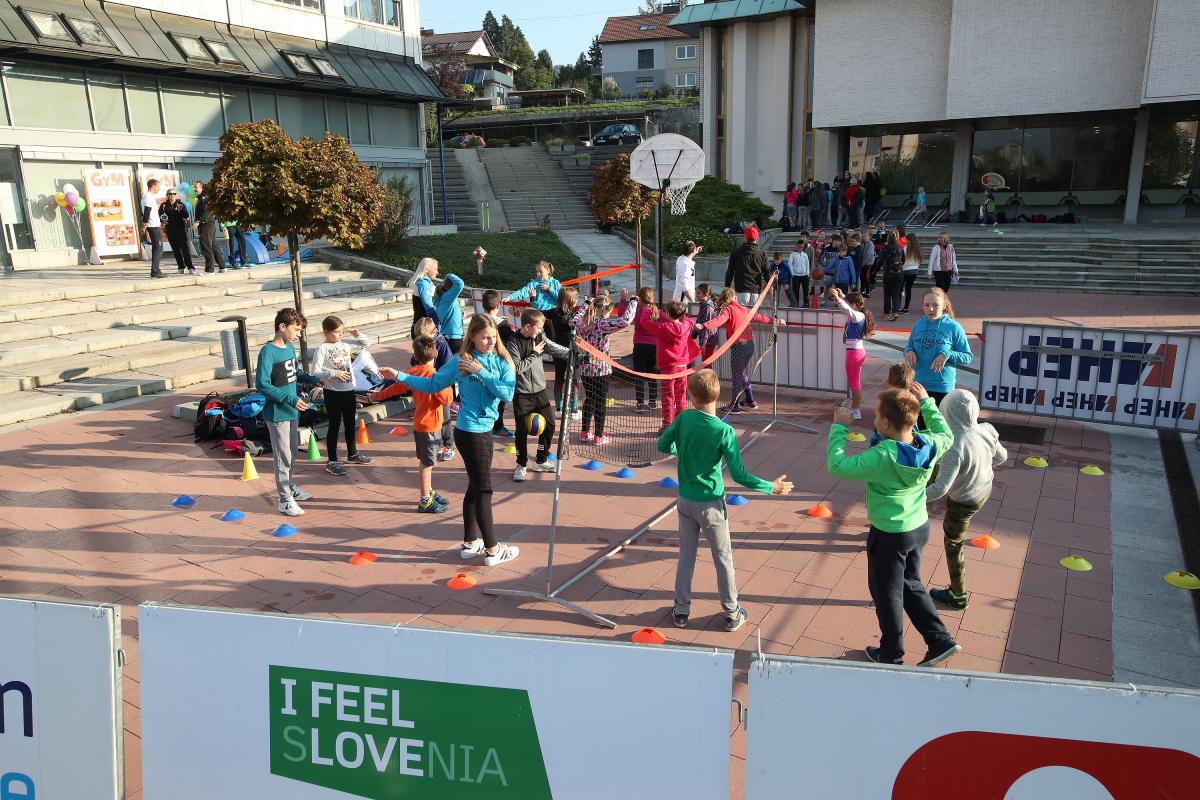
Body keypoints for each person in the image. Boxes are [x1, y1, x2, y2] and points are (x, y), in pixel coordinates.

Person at [828, 382, 961, 667]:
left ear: (886, 422)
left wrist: (839, 428)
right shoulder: (928, 443)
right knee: (910, 584)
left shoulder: (882, 455)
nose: (875, 419)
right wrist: (926, 402)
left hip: (889, 534)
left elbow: (837, 466)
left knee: (886, 593)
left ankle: (891, 653)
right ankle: (940, 640)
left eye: (877, 415)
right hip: (918, 527)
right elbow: (946, 434)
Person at [658, 369, 793, 631]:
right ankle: (731, 612)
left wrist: (681, 450)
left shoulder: (684, 418)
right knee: (723, 558)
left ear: (691, 395)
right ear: (718, 395)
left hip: (685, 500)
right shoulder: (724, 431)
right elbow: (739, 475)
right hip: (711, 504)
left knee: (686, 556)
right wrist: (770, 486)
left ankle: (681, 609)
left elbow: (663, 445)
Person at [390, 314, 520, 566]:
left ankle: (470, 544)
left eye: (493, 337)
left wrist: (481, 372)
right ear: (473, 337)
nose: (490, 342)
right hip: (468, 432)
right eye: (485, 337)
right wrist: (399, 375)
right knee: (483, 490)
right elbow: (432, 385)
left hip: (485, 431)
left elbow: (507, 394)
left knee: (475, 487)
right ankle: (493, 550)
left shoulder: (502, 360)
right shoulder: (461, 360)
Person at [926, 389, 1008, 611]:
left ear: (946, 413)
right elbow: (1002, 457)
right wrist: (979, 464)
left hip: (963, 500)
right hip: (984, 488)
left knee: (953, 541)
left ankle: (958, 595)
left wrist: (912, 497)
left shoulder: (954, 447)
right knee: (938, 468)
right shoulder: (986, 430)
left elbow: (941, 488)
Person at [369, 336, 454, 513]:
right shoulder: (435, 376)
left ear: (415, 355)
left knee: (427, 461)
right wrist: (446, 383)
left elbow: (396, 387)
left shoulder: (413, 372)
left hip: (423, 425)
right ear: (436, 353)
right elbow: (447, 399)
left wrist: (378, 396)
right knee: (427, 464)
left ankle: (429, 491)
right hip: (429, 427)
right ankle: (425, 500)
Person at [256, 308, 316, 517]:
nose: (299, 334)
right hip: (277, 413)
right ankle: (284, 500)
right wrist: (290, 399)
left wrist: (313, 379)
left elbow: (294, 372)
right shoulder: (268, 351)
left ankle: (289, 487)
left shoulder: (289, 347)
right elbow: (262, 384)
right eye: (296, 330)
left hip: (292, 411)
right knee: (283, 457)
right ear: (282, 326)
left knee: (291, 453)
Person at [506, 308, 568, 481]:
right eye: (539, 327)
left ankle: (541, 460)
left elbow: (555, 348)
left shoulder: (539, 338)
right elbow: (517, 368)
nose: (541, 330)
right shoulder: (513, 342)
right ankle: (521, 465)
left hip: (540, 391)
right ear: (527, 326)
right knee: (521, 431)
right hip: (522, 394)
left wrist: (575, 353)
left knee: (550, 426)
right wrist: (534, 354)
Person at [308, 316, 374, 476]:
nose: (340, 335)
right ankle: (332, 461)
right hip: (333, 392)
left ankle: (352, 454)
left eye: (342, 331)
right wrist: (333, 373)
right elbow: (315, 371)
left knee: (351, 424)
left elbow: (365, 344)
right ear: (326, 332)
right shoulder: (322, 348)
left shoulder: (344, 344)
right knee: (334, 425)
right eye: (337, 332)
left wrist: (358, 335)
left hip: (348, 390)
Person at [572, 290, 637, 445]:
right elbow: (625, 321)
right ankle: (598, 436)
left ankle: (584, 432)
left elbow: (573, 320)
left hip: (585, 368)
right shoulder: (602, 324)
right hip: (601, 369)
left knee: (589, 399)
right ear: (608, 309)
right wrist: (633, 302)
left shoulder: (582, 322)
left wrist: (586, 303)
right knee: (600, 402)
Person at [700, 288, 771, 414]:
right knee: (742, 373)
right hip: (750, 345)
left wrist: (703, 325)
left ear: (724, 300)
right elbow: (759, 317)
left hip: (739, 347)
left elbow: (719, 321)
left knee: (737, 376)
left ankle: (734, 406)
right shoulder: (744, 309)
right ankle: (750, 400)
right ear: (735, 298)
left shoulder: (728, 309)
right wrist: (775, 321)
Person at [904, 287, 973, 408]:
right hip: (918, 387)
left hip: (942, 388)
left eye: (935, 305)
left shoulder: (954, 327)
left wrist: (947, 354)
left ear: (944, 306)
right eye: (927, 305)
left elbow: (967, 357)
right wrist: (909, 351)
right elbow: (909, 346)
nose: (930, 309)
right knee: (917, 421)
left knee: (937, 421)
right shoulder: (918, 325)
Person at [408, 316, 456, 462]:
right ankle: (437, 444)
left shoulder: (441, 344)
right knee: (432, 416)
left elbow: (448, 366)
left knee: (444, 417)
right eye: (419, 337)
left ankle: (448, 445)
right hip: (426, 385)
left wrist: (436, 374)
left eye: (424, 337)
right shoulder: (421, 342)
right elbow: (415, 360)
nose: (421, 340)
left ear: (434, 332)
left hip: (440, 386)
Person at [645, 299, 696, 430]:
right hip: (683, 367)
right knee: (681, 397)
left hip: (668, 368)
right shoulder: (686, 325)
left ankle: (667, 426)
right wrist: (681, 314)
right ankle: (681, 424)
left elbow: (644, 322)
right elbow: (689, 320)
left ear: (667, 313)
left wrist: (648, 309)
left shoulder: (663, 328)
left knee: (667, 397)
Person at [831, 288, 874, 420]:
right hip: (854, 352)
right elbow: (849, 305)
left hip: (854, 354)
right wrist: (842, 295)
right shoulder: (858, 313)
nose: (847, 304)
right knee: (854, 383)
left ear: (854, 305)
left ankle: (856, 411)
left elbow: (847, 308)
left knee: (854, 384)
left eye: (849, 303)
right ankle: (855, 408)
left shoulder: (858, 316)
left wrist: (838, 299)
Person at [480, 290, 515, 438]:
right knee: (499, 396)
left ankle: (486, 423)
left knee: (483, 393)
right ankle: (497, 427)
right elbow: (513, 341)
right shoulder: (503, 326)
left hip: (481, 362)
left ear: (483, 305)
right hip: (497, 364)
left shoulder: (479, 321)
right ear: (498, 305)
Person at [547, 285, 582, 419]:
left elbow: (539, 310)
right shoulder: (572, 316)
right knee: (573, 379)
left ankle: (559, 408)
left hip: (558, 349)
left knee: (559, 379)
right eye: (575, 298)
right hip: (571, 351)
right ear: (570, 300)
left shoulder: (554, 312)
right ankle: (573, 409)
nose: (577, 301)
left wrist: (533, 299)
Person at [625, 286, 660, 413]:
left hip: (640, 345)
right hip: (654, 346)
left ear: (639, 298)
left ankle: (640, 403)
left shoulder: (637, 311)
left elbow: (623, 315)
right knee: (653, 374)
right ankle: (653, 401)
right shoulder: (656, 311)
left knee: (639, 374)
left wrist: (624, 299)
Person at [724, 227, 768, 306]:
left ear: (745, 238)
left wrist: (727, 286)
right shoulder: (762, 254)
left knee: (741, 313)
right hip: (756, 290)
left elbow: (730, 271)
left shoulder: (736, 253)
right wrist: (769, 284)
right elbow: (767, 273)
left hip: (741, 289)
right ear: (757, 238)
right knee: (755, 314)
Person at [159, 188, 195, 275]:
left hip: (181, 229)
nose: (172, 195)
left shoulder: (180, 204)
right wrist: (163, 221)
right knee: (175, 249)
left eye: (174, 194)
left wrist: (181, 209)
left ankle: (190, 267)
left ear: (176, 195)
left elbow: (186, 215)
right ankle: (181, 267)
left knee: (185, 248)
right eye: (170, 194)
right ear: (167, 195)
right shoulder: (163, 205)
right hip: (170, 229)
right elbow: (161, 215)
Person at [433, 273, 466, 353]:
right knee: (457, 360)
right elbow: (460, 283)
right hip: (454, 338)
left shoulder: (441, 298)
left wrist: (460, 314)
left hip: (447, 336)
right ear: (452, 287)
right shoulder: (448, 298)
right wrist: (449, 275)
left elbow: (449, 314)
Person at [192, 181, 219, 273]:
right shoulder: (201, 198)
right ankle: (222, 266)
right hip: (208, 224)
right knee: (214, 246)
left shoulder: (204, 198)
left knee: (206, 247)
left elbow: (208, 211)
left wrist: (198, 221)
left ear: (202, 188)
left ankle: (209, 270)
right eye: (194, 187)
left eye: (196, 187)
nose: (194, 189)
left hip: (206, 225)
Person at [139, 178, 164, 279]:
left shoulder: (149, 197)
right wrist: (144, 226)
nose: (159, 188)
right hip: (152, 226)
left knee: (157, 248)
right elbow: (146, 212)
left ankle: (156, 270)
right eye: (158, 186)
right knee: (158, 248)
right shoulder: (148, 196)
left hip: (154, 225)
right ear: (152, 186)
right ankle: (155, 271)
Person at [407, 257, 439, 332]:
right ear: (426, 269)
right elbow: (429, 307)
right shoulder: (423, 284)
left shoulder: (426, 283)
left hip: (423, 327)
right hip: (423, 329)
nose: (437, 272)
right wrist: (439, 322)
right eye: (435, 269)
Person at [880, 228, 905, 321]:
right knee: (896, 293)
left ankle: (887, 312)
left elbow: (880, 260)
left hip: (888, 273)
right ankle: (896, 311)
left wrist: (875, 270)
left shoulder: (885, 248)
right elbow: (903, 260)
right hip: (899, 273)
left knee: (887, 293)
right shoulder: (900, 248)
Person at [693, 283, 717, 363]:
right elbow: (700, 322)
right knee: (705, 363)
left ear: (706, 294)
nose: (696, 295)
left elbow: (706, 327)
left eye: (698, 293)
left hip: (708, 341)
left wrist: (703, 344)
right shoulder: (704, 306)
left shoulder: (707, 308)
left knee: (706, 364)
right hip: (707, 340)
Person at [900, 232, 923, 314]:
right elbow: (919, 261)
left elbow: (902, 260)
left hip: (905, 270)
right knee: (908, 289)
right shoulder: (918, 249)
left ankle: (898, 307)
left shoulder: (905, 248)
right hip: (914, 270)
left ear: (909, 240)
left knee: (900, 289)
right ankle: (906, 308)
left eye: (906, 239)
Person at [787, 237, 811, 308]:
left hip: (804, 275)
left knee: (806, 290)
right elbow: (790, 264)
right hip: (796, 275)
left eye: (802, 247)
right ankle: (795, 303)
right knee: (795, 291)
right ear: (796, 246)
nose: (800, 249)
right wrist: (793, 274)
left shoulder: (805, 255)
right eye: (799, 247)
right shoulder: (793, 254)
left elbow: (807, 264)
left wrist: (807, 273)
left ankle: (806, 304)